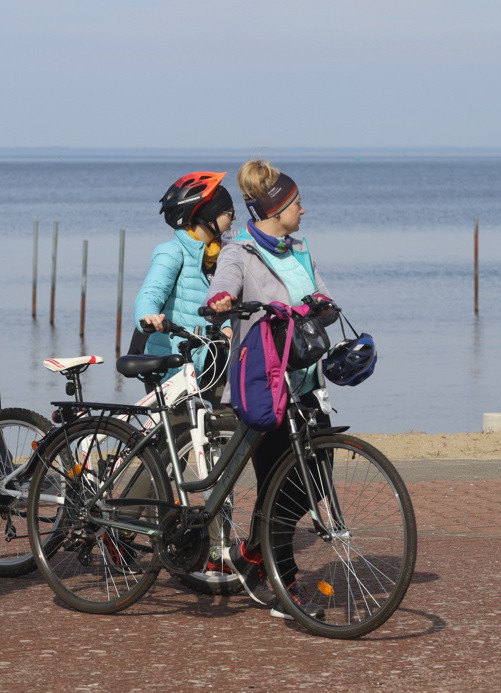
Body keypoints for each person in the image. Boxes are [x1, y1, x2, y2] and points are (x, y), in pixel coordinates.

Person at [205, 159, 331, 621]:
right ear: (277, 208)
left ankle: (251, 553)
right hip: (266, 384)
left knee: (315, 480)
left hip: (306, 382)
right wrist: (219, 300)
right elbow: (224, 284)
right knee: (276, 486)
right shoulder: (240, 252)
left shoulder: (299, 248)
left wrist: (325, 305)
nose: (304, 209)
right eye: (298, 203)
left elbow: (322, 293)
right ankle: (285, 587)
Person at [134, 171, 235, 385]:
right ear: (209, 216)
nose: (233, 219)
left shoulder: (225, 254)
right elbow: (150, 294)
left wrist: (228, 326)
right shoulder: (171, 252)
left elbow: (222, 304)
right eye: (229, 213)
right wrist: (148, 318)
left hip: (215, 366)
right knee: (179, 420)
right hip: (173, 368)